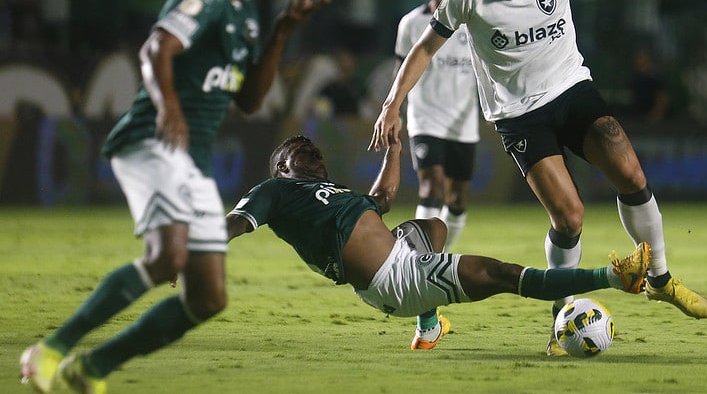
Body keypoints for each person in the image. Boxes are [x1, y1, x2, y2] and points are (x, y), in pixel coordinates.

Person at [370, 0, 707, 356]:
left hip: (571, 89)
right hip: (519, 115)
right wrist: (392, 105)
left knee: (632, 175)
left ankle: (659, 279)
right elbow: (423, 49)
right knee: (569, 218)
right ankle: (563, 317)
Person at [19, 0, 329, 394]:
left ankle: (91, 368)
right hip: (154, 141)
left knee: (208, 297)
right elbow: (156, 48)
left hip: (192, 161)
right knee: (165, 257)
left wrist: (280, 33)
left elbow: (250, 100)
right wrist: (168, 109)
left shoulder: (244, 14)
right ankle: (50, 350)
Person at [227, 134, 650, 351]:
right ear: (283, 164)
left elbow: (381, 201)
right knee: (500, 273)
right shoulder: (274, 191)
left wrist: (394, 149)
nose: (316, 156)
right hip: (393, 280)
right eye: (305, 153)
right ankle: (615, 278)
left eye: (316, 152)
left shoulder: (330, 191)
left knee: (432, 228)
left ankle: (429, 328)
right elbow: (235, 223)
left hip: (397, 263)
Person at [394, 0, 479, 250]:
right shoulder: (411, 24)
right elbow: (401, 70)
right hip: (425, 116)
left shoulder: (474, 24)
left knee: (457, 199)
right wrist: (395, 110)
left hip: (463, 121)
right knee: (431, 184)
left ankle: (440, 255)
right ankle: (420, 258)